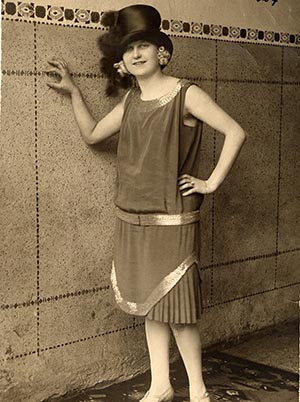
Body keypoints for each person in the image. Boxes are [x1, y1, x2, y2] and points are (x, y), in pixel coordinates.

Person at [46, 5, 246, 402]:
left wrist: (210, 183)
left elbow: (235, 131)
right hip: (132, 218)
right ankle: (160, 386)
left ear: (162, 53)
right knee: (151, 304)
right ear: (121, 62)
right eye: (128, 50)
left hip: (174, 218)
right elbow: (91, 135)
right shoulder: (130, 102)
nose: (136, 54)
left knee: (179, 310)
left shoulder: (186, 94)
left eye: (144, 46)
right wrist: (74, 93)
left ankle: (199, 391)